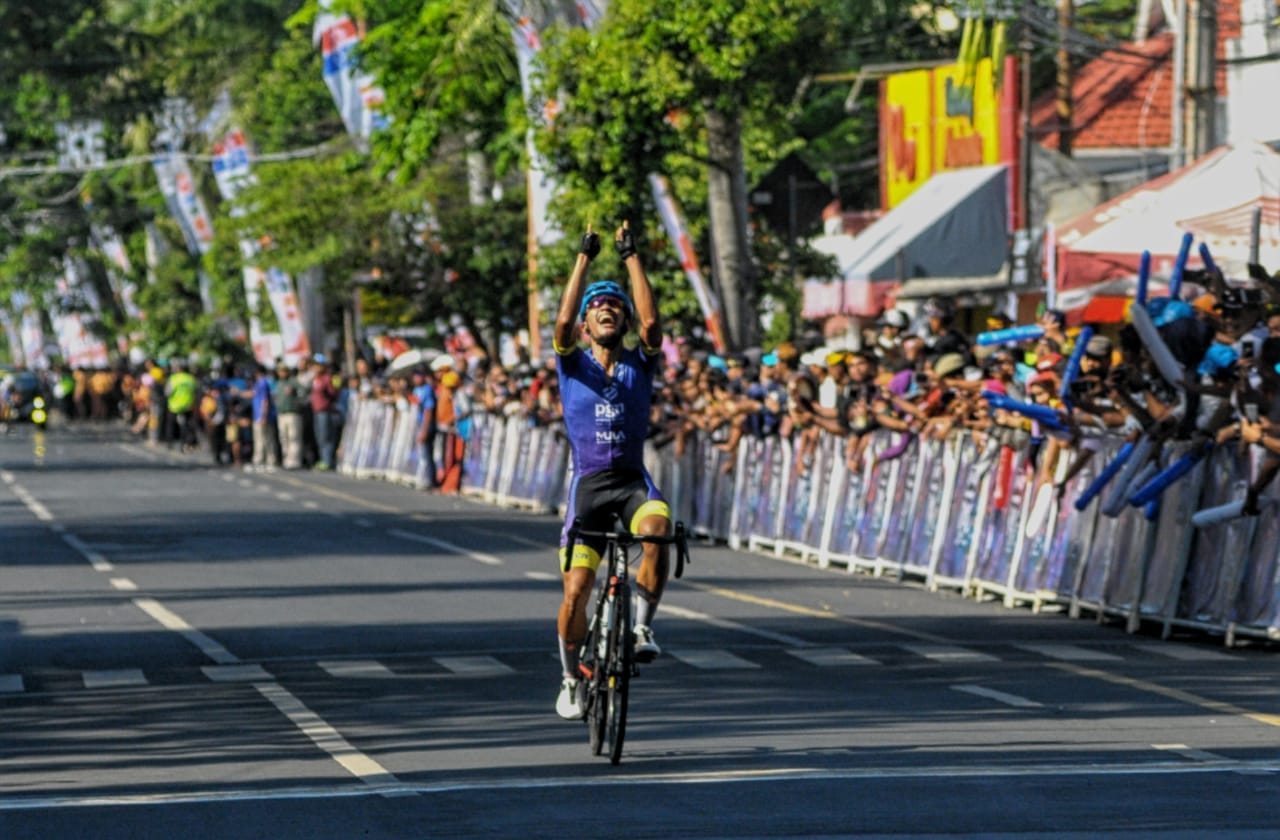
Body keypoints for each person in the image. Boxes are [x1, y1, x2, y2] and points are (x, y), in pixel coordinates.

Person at [552, 221, 671, 721]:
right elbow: (559, 326)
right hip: (589, 491)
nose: (607, 307)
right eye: (597, 306)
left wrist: (630, 256)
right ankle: (569, 677)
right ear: (585, 325)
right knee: (577, 590)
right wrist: (583, 258)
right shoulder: (572, 363)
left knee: (659, 532)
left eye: (614, 305)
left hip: (630, 484)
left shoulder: (639, 364)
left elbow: (651, 324)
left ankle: (641, 626)